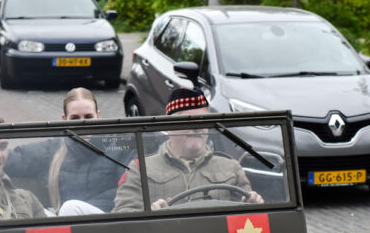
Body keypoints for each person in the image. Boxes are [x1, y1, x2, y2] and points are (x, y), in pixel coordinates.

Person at [0, 88, 129, 214]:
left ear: (98, 116)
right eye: (75, 118)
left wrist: (76, 210)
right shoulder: (55, 149)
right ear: (64, 120)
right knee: (36, 214)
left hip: (110, 221)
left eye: (88, 116)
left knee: (70, 208)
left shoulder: (119, 146)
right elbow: (13, 158)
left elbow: (127, 191)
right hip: (68, 223)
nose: (83, 124)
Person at [111, 87, 264, 213]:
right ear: (169, 126)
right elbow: (121, 216)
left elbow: (250, 219)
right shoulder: (141, 169)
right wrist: (150, 213)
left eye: (204, 120)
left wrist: (254, 204)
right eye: (188, 120)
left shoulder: (231, 168)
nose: (197, 127)